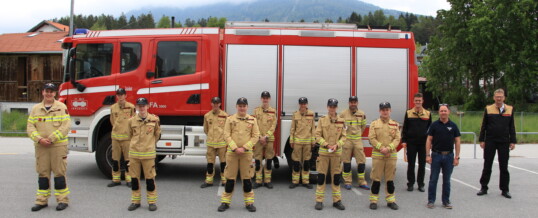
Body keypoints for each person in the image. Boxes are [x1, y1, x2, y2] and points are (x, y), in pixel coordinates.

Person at [27, 83, 71, 211]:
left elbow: (66, 126)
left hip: (58, 146)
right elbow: (30, 127)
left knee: (59, 174)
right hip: (41, 147)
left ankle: (63, 200)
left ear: (55, 93)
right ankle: (41, 201)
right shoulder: (35, 109)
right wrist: (39, 139)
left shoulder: (62, 107)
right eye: (47, 91)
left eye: (51, 91)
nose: (49, 94)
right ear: (43, 92)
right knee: (43, 174)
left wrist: (51, 139)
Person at [218, 97, 260, 212]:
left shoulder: (253, 120)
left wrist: (245, 148)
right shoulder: (230, 119)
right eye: (240, 106)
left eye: (244, 106)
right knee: (230, 179)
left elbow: (256, 136)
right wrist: (235, 148)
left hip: (246, 154)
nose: (242, 108)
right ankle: (225, 202)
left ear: (247, 107)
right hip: (232, 153)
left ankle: (249, 203)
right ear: (236, 107)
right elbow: (226, 134)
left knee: (247, 179)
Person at [477, 89, 517, 199]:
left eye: (501, 97)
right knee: (487, 165)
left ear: (504, 98)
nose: (499, 99)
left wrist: (513, 141)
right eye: (497, 97)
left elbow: (512, 126)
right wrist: (482, 139)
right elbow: (483, 125)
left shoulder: (509, 109)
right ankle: (484, 187)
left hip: (504, 142)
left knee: (504, 166)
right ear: (494, 98)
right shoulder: (488, 109)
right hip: (490, 141)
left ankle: (505, 189)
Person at [127, 98, 161, 211]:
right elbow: (129, 135)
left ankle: (152, 202)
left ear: (147, 106)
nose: (142, 108)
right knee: (134, 179)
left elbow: (157, 135)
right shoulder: (131, 121)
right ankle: (135, 201)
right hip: (134, 154)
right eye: (139, 106)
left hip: (148, 154)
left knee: (150, 179)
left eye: (143, 106)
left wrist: (149, 144)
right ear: (137, 107)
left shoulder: (155, 120)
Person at [425, 104, 461, 209]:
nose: (443, 113)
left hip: (449, 156)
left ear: (448, 112)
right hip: (436, 155)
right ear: (439, 112)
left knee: (447, 180)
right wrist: (427, 155)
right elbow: (429, 140)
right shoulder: (434, 125)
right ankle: (431, 201)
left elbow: (458, 141)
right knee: (433, 179)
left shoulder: (453, 126)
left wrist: (457, 157)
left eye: (445, 111)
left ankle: (446, 201)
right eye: (441, 111)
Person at [314, 98, 346, 211]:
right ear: (327, 107)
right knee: (321, 177)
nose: (332, 108)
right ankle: (319, 201)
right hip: (324, 153)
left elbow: (344, 137)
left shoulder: (341, 121)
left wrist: (337, 145)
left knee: (336, 178)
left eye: (334, 106)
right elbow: (317, 135)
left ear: (336, 108)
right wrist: (327, 145)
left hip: (336, 154)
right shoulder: (322, 120)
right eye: (330, 106)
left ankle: (337, 201)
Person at [368, 102, 401, 210]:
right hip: (378, 155)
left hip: (391, 156)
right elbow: (371, 138)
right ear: (379, 111)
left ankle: (391, 201)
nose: (385, 112)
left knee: (390, 180)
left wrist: (389, 148)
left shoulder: (395, 124)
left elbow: (397, 139)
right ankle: (373, 201)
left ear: (390, 111)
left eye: (387, 110)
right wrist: (381, 148)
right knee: (376, 180)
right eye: (383, 110)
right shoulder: (374, 124)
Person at [401, 93, 432, 192]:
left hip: (423, 143)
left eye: (419, 100)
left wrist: (430, 143)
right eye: (416, 100)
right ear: (413, 101)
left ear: (422, 101)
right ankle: (410, 184)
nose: (418, 102)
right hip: (411, 143)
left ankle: (420, 184)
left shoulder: (427, 113)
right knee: (411, 164)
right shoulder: (409, 113)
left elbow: (430, 130)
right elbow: (405, 128)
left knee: (422, 165)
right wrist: (404, 140)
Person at [339, 96, 370, 190]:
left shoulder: (361, 114)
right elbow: (340, 126)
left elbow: (363, 126)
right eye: (351, 102)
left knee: (361, 162)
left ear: (357, 103)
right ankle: (347, 182)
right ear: (349, 103)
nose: (353, 104)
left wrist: (358, 134)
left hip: (357, 140)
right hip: (347, 140)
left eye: (354, 102)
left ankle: (362, 181)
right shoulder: (343, 114)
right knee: (346, 162)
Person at [108, 88, 136, 188]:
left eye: (122, 95)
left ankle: (129, 179)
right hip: (115, 137)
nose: (120, 97)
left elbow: (134, 121)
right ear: (117, 96)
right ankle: (116, 179)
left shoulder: (131, 107)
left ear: (125, 96)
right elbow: (112, 121)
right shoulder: (113, 107)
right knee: (115, 160)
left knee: (128, 160)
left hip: (127, 138)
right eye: (118, 95)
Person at [201, 97, 228, 188]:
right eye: (214, 103)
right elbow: (206, 129)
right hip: (211, 144)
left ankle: (225, 180)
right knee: (210, 163)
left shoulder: (225, 115)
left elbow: (227, 130)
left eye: (217, 103)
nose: (216, 105)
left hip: (221, 144)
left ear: (220, 104)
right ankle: (209, 181)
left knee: (223, 162)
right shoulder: (207, 116)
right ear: (211, 104)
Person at [289, 97, 316, 189]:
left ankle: (305, 181)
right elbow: (292, 129)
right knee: (296, 162)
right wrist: (291, 140)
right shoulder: (295, 114)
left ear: (307, 104)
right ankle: (295, 181)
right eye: (301, 103)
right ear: (299, 104)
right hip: (297, 142)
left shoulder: (311, 114)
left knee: (306, 163)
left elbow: (313, 129)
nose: (303, 105)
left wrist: (313, 141)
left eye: (304, 103)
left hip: (307, 143)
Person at [252, 91, 277, 189]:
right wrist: (259, 137)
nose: (265, 99)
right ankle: (258, 181)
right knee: (257, 160)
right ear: (261, 99)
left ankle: (267, 181)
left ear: (269, 99)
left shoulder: (273, 111)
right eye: (264, 98)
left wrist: (266, 136)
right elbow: (254, 125)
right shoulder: (256, 111)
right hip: (258, 139)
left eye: (267, 98)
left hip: (269, 139)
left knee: (269, 160)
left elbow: (273, 125)